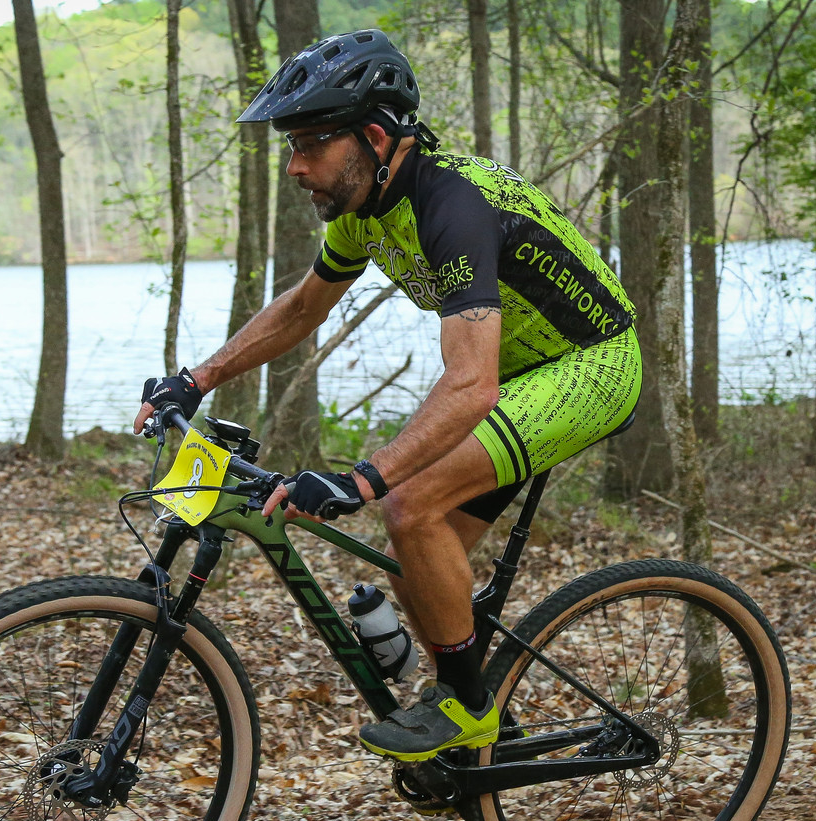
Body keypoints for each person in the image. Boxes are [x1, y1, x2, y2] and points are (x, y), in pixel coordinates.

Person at [133, 28, 640, 763]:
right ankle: (477, 740)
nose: (294, 166)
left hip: (590, 366)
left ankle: (468, 709)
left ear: (373, 139)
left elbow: (470, 382)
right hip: (513, 375)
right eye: (290, 146)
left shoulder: (454, 206)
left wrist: (360, 479)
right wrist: (198, 377)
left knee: (408, 504)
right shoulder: (364, 209)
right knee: (418, 562)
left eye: (310, 144)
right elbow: (302, 309)